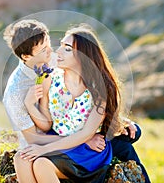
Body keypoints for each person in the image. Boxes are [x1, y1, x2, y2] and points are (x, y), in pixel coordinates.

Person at [20, 23, 150, 183]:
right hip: (60, 140)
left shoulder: (100, 89)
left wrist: (43, 149)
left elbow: (86, 133)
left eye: (67, 48)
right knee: (22, 159)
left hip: (87, 150)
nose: (57, 51)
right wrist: (30, 105)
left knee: (41, 164)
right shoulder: (50, 79)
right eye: (60, 45)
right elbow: (47, 125)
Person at [2, 19, 112, 183]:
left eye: (49, 45)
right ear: (26, 56)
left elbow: (89, 100)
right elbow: (34, 138)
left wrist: (114, 121)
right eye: (43, 50)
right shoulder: (15, 93)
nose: (52, 52)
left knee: (40, 164)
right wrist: (84, 137)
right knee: (21, 159)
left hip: (69, 140)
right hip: (42, 141)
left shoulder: (55, 61)